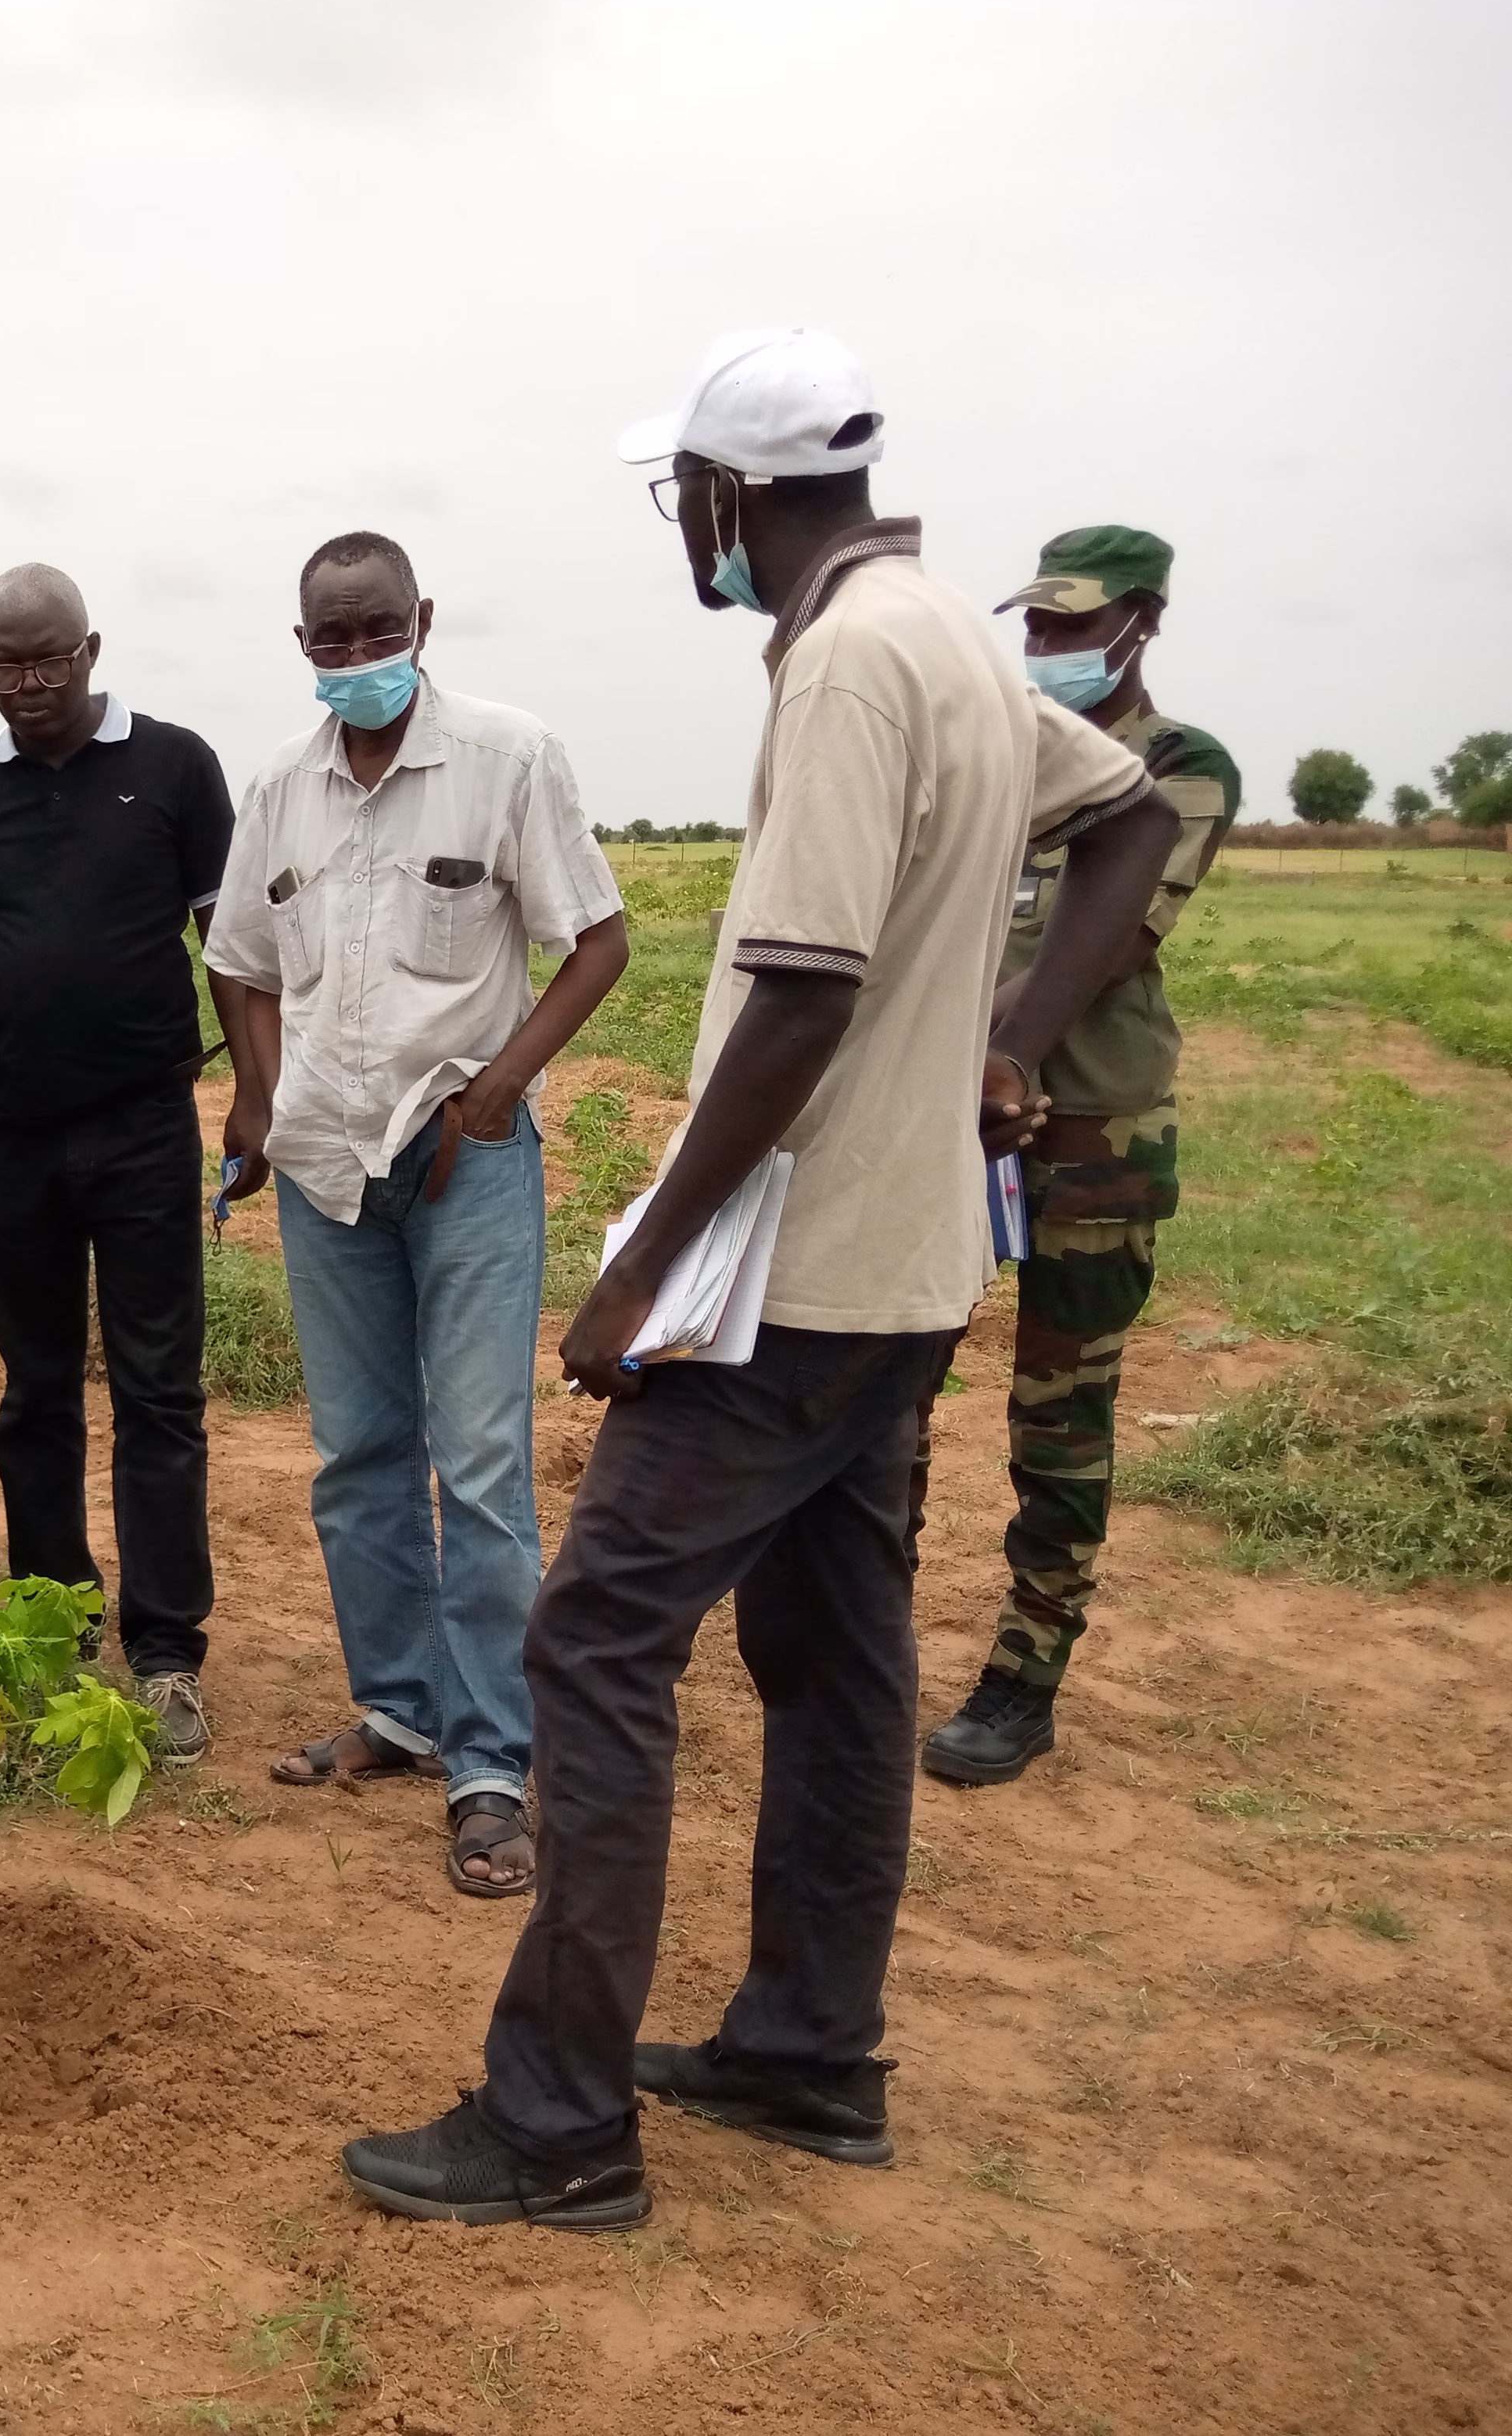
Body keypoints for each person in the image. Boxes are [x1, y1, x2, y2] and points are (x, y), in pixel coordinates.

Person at [338, 329, 1180, 2232]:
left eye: (682, 495)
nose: (682, 527)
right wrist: (1004, 1037)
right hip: (908, 1264)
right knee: (838, 1651)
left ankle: (555, 2123)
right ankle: (808, 2051)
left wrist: (640, 1269)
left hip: (789, 1283)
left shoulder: (853, 663)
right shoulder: (945, 630)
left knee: (594, 1643)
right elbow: (1130, 814)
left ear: (726, 493)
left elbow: (799, 993)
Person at [207, 531, 630, 1898]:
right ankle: (400, 1707)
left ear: (422, 621)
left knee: (484, 1464)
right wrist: (258, 1101)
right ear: (302, 646)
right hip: (326, 1164)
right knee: (358, 1456)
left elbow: (599, 941)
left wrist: (500, 1089)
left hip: (465, 1160)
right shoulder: (280, 787)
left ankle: (494, 1760)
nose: (356, 657)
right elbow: (239, 962)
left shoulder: (509, 757)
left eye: (376, 631)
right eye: (331, 638)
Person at [0, 566, 242, 1762]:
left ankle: (168, 1654)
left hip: (144, 1126)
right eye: (6, 664)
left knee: (159, 1393)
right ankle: (52, 1628)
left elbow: (226, 944)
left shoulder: (175, 767)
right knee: (35, 1393)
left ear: (91, 650)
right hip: (13, 1136)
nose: (28, 683)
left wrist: (258, 1091)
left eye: (47, 659)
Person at [921, 527, 1238, 1785]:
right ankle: (859, 1633)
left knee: (1060, 1416)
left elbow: (1116, 935)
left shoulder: (1179, 767)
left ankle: (1026, 1671)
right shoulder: (1000, 755)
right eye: (1037, 625)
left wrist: (977, 1045)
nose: (1046, 645)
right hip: (953, 1124)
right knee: (892, 1379)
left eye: (1072, 625)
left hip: (1093, 1133)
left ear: (1141, 623)